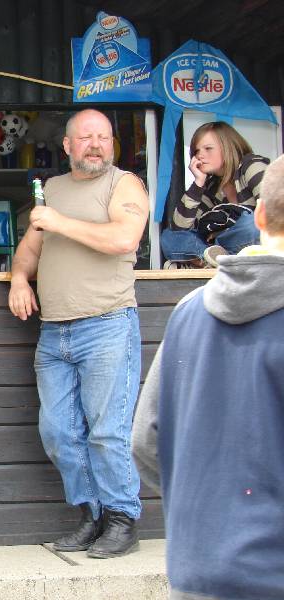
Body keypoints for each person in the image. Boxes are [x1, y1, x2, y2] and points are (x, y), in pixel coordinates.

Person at [133, 154, 284, 600]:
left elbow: (144, 443)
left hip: (197, 572)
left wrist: (211, 520)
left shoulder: (188, 312)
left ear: (259, 215)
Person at [8, 109, 149, 558]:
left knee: (107, 432)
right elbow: (30, 249)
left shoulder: (125, 184)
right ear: (67, 145)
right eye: (85, 137)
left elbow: (124, 238)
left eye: (103, 137)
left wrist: (58, 221)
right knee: (58, 433)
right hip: (54, 331)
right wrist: (18, 279)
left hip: (107, 324)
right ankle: (92, 517)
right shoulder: (52, 189)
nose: (96, 144)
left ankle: (122, 520)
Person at [161, 121, 268, 269]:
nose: (200, 155)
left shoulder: (252, 165)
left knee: (252, 224)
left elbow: (273, 212)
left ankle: (208, 260)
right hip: (227, 247)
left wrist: (220, 235)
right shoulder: (211, 187)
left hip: (255, 239)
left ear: (228, 147)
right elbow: (180, 228)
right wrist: (198, 183)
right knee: (169, 237)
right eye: (196, 151)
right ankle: (216, 258)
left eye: (208, 148)